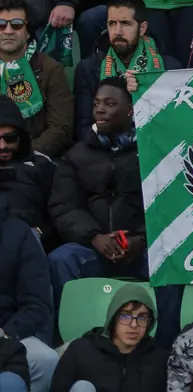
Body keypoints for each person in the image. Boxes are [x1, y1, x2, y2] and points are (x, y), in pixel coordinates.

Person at [45, 80, 155, 323]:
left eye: (110, 103)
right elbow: (63, 206)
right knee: (61, 259)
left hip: (141, 250)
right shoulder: (76, 155)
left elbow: (166, 206)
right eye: (96, 104)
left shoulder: (152, 150)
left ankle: (167, 342)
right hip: (93, 249)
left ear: (130, 110)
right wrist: (95, 237)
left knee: (173, 262)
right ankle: (68, 339)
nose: (99, 110)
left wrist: (141, 239)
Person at [72, 0, 175, 142]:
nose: (117, 31)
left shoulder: (170, 67)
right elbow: (83, 131)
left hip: (155, 150)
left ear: (142, 28)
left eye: (126, 23)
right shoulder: (88, 69)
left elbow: (175, 123)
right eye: (112, 23)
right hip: (106, 156)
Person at [49, 283, 168, 392]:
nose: (134, 325)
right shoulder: (81, 350)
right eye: (125, 316)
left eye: (142, 318)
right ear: (113, 318)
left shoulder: (158, 358)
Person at [0, 0, 72, 158]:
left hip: (35, 159)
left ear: (28, 32)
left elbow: (61, 129)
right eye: (1, 25)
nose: (8, 31)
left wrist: (24, 153)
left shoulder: (50, 69)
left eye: (17, 25)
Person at [0, 189, 53, 392]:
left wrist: (6, 332)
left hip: (8, 332)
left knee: (45, 360)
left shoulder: (18, 234)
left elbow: (36, 304)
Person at [0, 97, 54, 233]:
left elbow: (62, 213)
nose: (2, 146)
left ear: (21, 136)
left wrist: (37, 234)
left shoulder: (43, 166)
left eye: (10, 138)